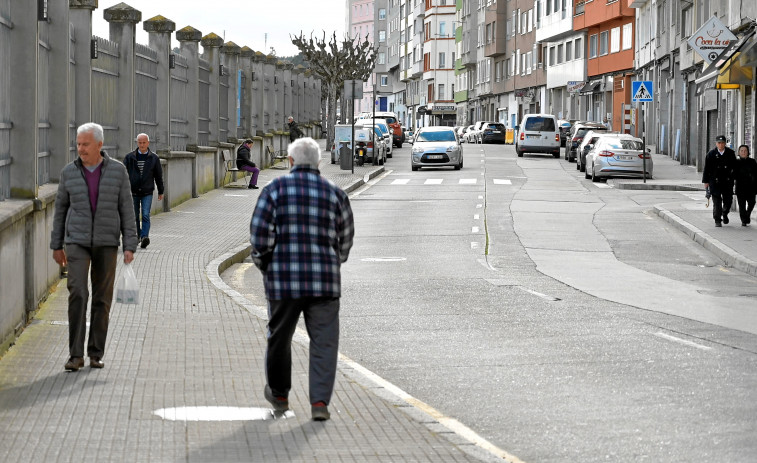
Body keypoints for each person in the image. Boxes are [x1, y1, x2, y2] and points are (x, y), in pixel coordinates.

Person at [249, 137, 354, 421]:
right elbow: (345, 239)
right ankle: (320, 404)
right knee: (324, 342)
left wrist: (266, 266)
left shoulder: (273, 191)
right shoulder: (336, 194)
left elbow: (259, 237)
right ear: (318, 163)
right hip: (325, 284)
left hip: (283, 283)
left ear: (291, 161)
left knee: (279, 338)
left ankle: (280, 395)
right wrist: (334, 262)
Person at [50, 122, 138, 371]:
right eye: (78, 144)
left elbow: (127, 209)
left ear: (100, 145)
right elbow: (60, 211)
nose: (80, 149)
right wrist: (56, 245)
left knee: (102, 298)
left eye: (85, 144)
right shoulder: (68, 172)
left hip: (107, 242)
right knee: (78, 291)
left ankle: (95, 353)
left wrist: (130, 244)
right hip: (76, 241)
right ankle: (75, 355)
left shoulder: (118, 171)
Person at [124, 133, 164, 249]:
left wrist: (161, 191)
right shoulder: (129, 157)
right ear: (137, 143)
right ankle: (137, 236)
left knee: (145, 214)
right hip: (133, 191)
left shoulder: (154, 158)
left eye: (144, 143)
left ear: (148, 143)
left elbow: (158, 176)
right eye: (139, 143)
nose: (142, 145)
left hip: (147, 192)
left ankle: (144, 237)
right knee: (135, 216)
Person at [702, 135, 737, 227]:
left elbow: (735, 167)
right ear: (716, 143)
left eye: (722, 143)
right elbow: (707, 169)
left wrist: (734, 179)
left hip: (727, 181)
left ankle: (724, 213)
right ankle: (717, 220)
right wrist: (706, 182)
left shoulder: (730, 153)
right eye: (719, 143)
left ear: (725, 143)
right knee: (717, 203)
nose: (721, 145)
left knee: (728, 201)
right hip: (715, 181)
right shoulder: (711, 154)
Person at [734, 144, 757, 226]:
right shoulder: (736, 162)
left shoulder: (752, 161)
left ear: (748, 152)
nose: (743, 152)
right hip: (740, 187)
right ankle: (744, 220)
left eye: (745, 151)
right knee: (742, 205)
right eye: (742, 151)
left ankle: (748, 214)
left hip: (751, 187)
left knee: (752, 202)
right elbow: (733, 174)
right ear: (739, 152)